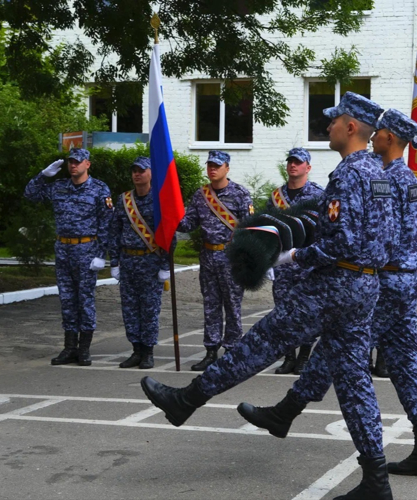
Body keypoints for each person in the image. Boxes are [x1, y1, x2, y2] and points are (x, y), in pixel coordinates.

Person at [141, 92, 396, 499]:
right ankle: (376, 480)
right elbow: (383, 239)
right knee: (353, 381)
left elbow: (342, 241)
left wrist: (296, 255)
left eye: (333, 121)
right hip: (364, 287)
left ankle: (186, 400)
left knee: (262, 341)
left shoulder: (349, 174)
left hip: (334, 286)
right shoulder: (380, 173)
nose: (326, 126)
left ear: (351, 127)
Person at [238, 108, 417, 479]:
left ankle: (286, 411)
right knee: (404, 363)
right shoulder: (408, 178)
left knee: (334, 353)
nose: (374, 136)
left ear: (391, 138)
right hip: (405, 280)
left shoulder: (388, 178)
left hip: (387, 281)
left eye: (379, 132)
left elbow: (378, 235)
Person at [24, 148, 113, 366]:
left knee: (85, 300)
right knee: (67, 300)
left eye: (77, 162)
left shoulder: (99, 189)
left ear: (87, 164)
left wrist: (101, 254)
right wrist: (43, 176)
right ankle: (69, 347)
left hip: (86, 249)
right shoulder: (59, 187)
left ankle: (84, 349)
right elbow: (30, 194)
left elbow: (107, 223)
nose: (73, 165)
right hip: (63, 249)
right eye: (70, 162)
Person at [176, 150, 253, 371]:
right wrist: (172, 215)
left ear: (227, 168)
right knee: (210, 306)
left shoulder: (240, 194)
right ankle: (211, 351)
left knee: (232, 306)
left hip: (231, 258)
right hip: (208, 257)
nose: (212, 169)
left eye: (217, 166)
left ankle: (232, 351)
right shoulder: (201, 195)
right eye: (210, 165)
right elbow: (189, 224)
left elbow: (249, 228)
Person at [108, 157, 172, 369]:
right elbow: (115, 231)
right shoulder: (124, 200)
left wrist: (165, 265)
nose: (137, 174)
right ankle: (135, 349)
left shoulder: (159, 200)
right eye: (134, 170)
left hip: (150, 261)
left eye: (142, 170)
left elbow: (168, 234)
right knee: (130, 308)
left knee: (149, 309)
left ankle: (148, 352)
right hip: (128, 261)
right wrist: (114, 261)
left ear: (151, 173)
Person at [268, 147, 324, 375]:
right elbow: (270, 228)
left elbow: (324, 231)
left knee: (307, 312)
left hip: (306, 263)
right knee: (283, 311)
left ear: (308, 167)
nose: (293, 165)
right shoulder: (276, 196)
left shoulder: (319, 195)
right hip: (282, 264)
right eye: (290, 161)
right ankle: (288, 357)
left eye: (298, 162)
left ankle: (303, 357)